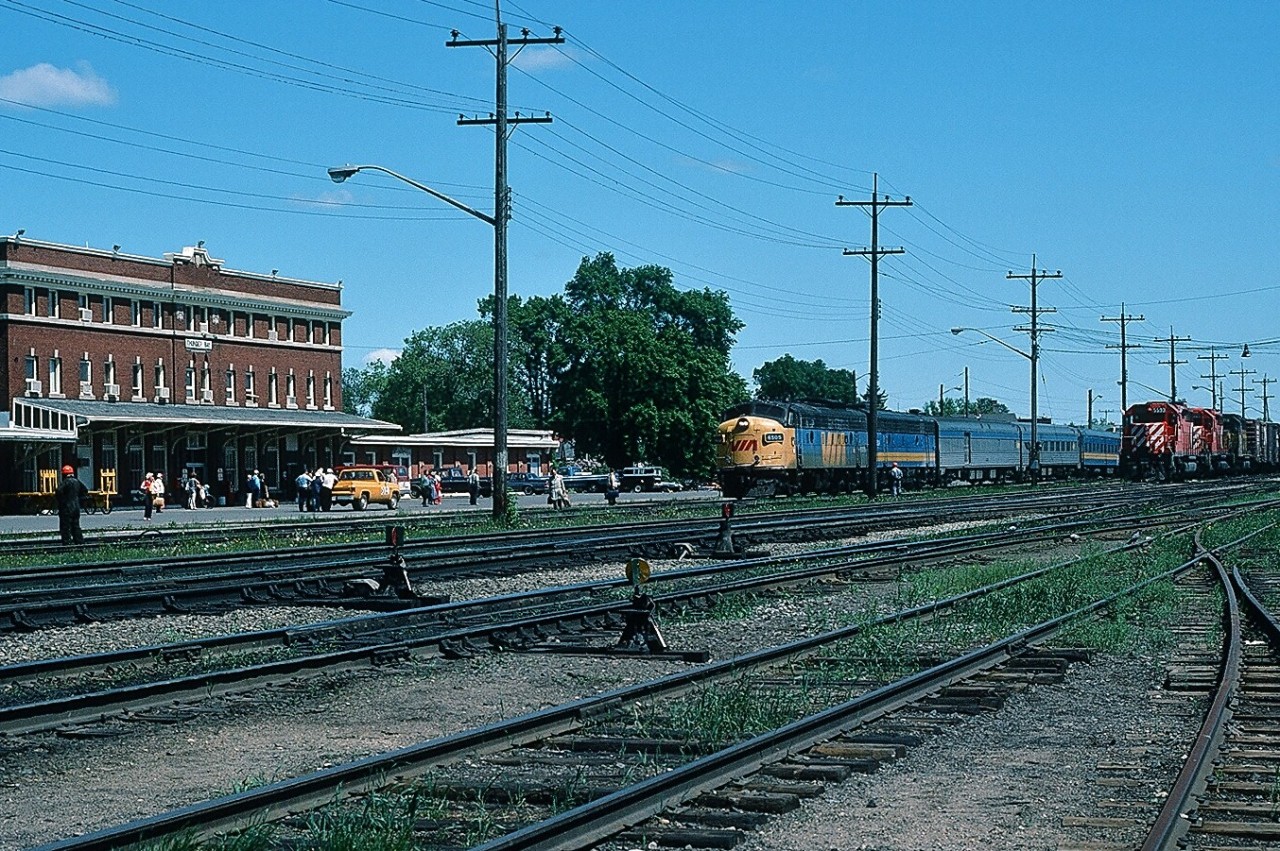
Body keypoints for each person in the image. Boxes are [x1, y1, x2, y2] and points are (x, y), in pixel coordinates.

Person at [56, 464, 88, 544]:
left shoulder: (65, 482)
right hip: (76, 507)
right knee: (76, 526)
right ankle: (79, 542)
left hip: (66, 508)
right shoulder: (77, 481)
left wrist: (62, 500)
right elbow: (85, 490)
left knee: (65, 527)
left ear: (64, 474)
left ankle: (67, 542)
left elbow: (58, 492)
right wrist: (78, 498)